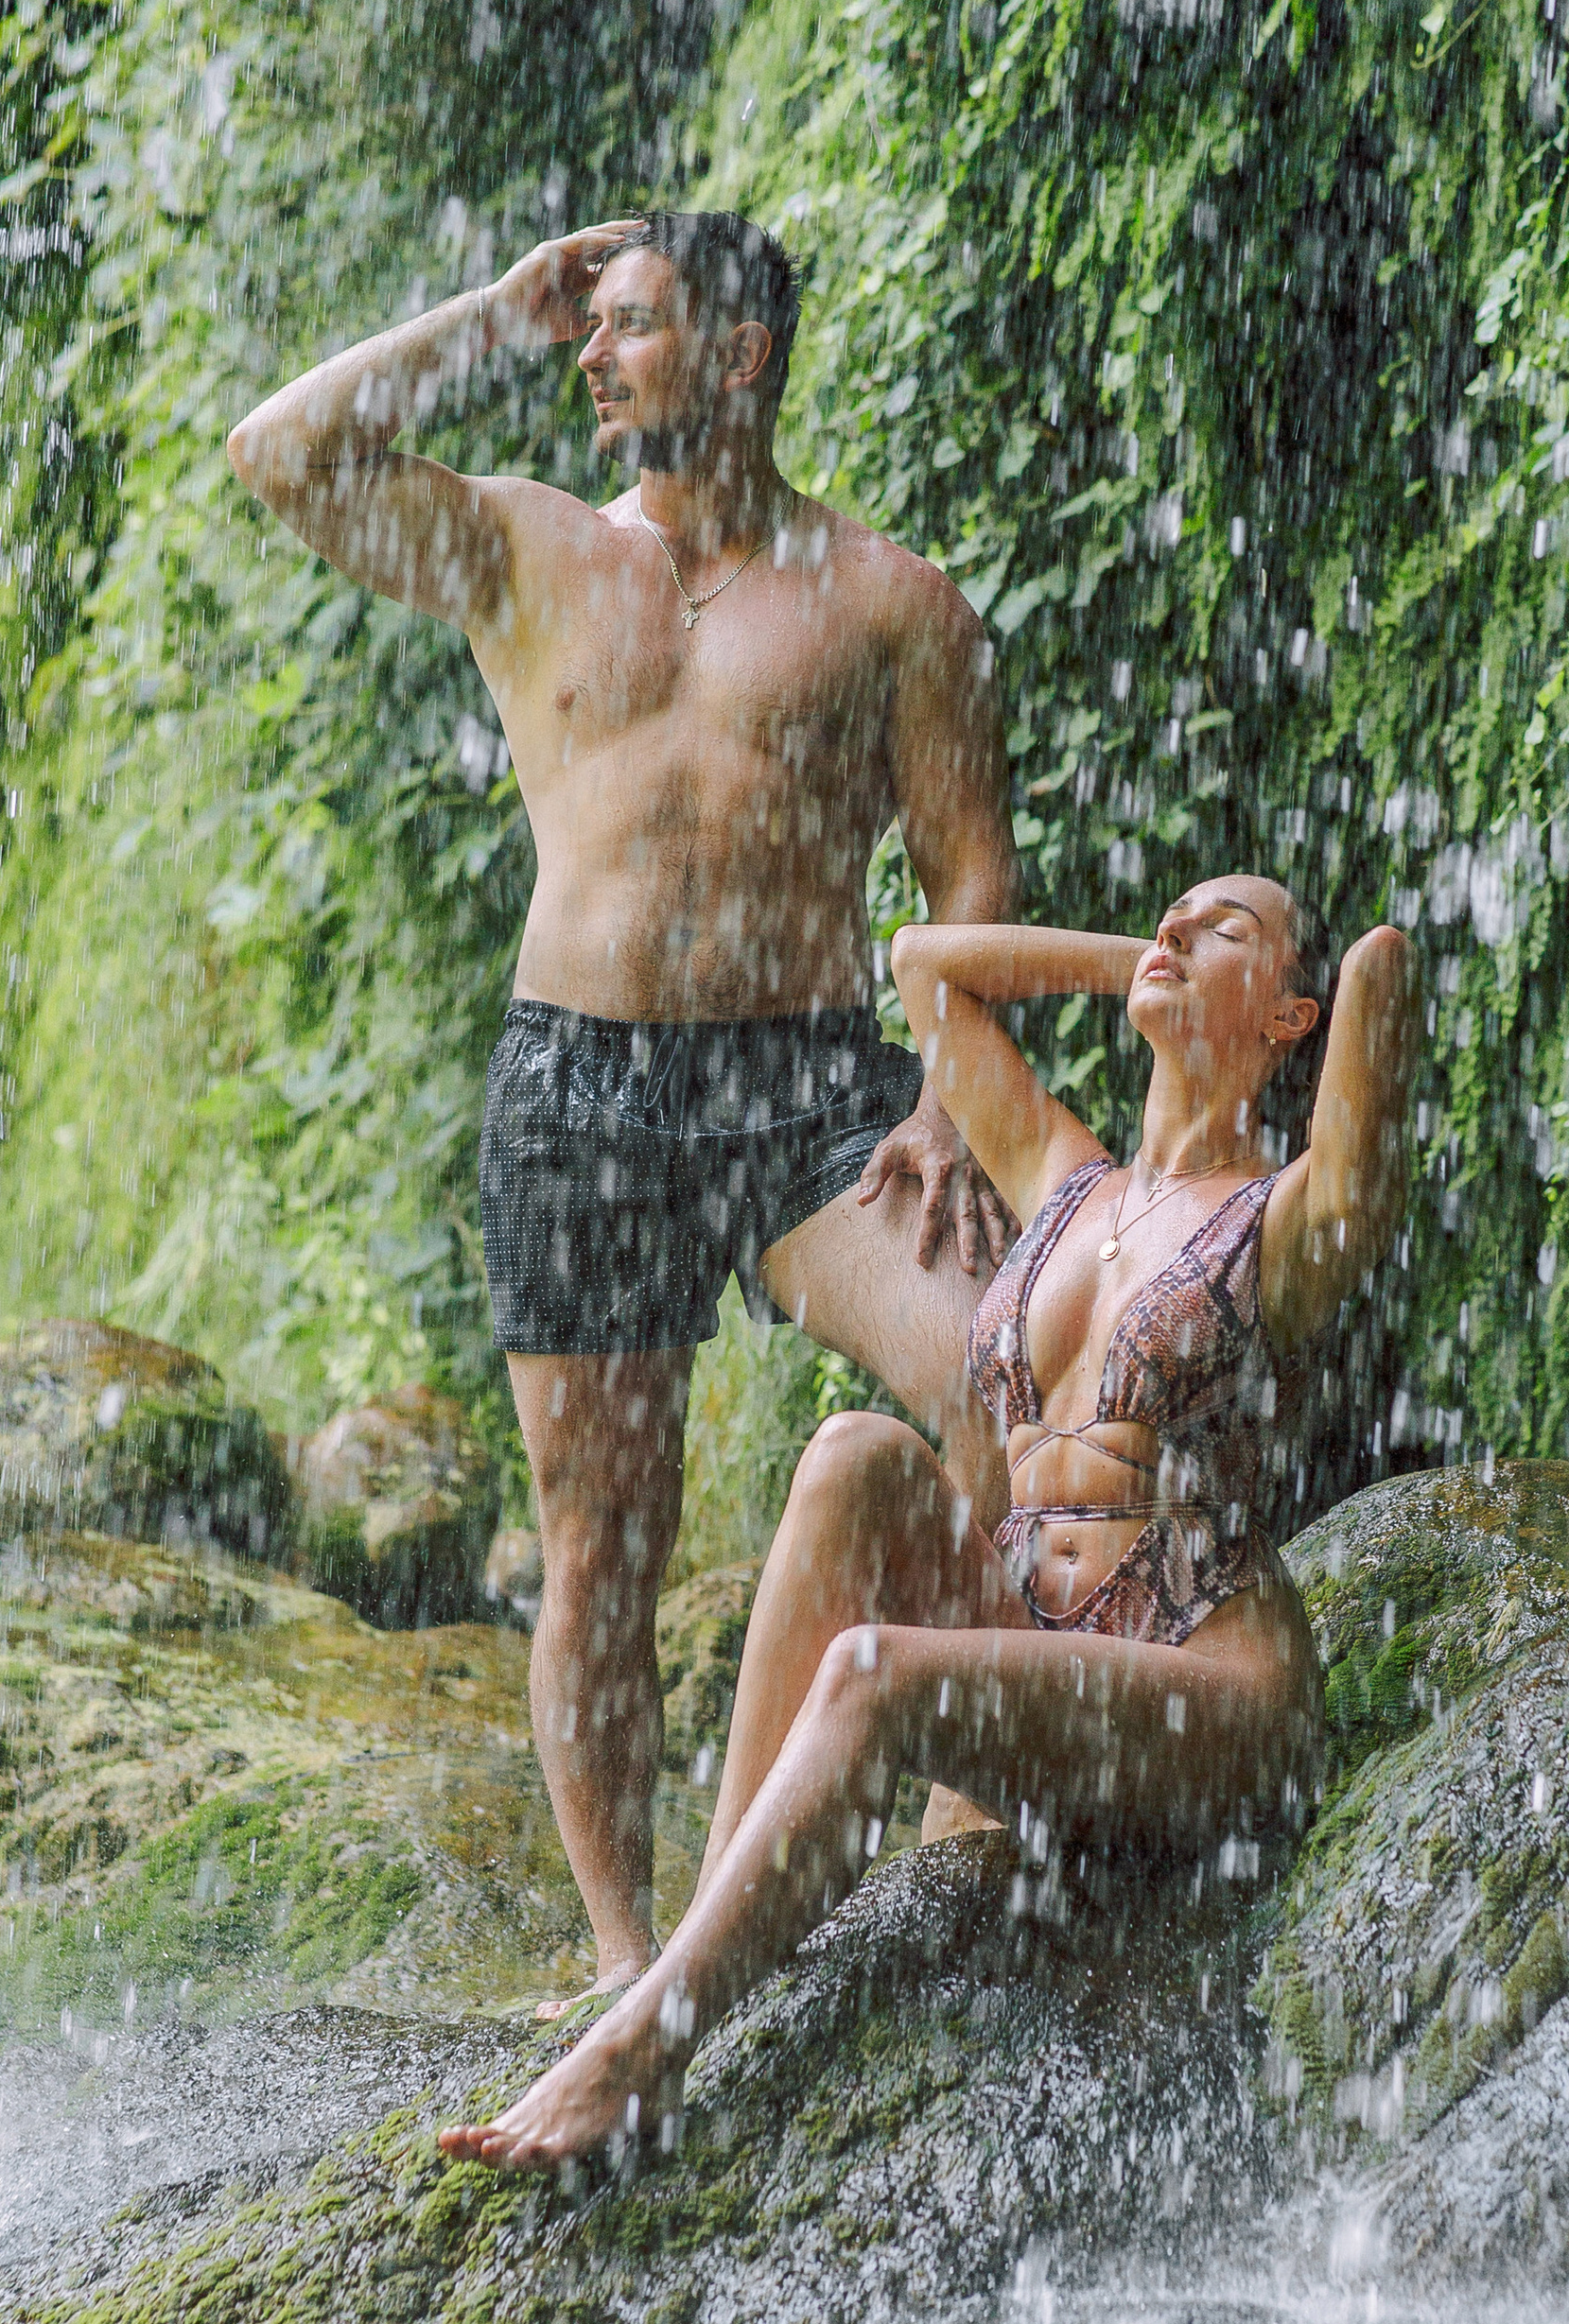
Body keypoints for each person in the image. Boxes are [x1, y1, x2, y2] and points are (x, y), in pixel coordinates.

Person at [226, 212, 1020, 2012]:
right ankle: (619, 1949)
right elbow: (281, 453)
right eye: (584, 338)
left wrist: (960, 1107)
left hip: (818, 1086)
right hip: (578, 1085)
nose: (593, 362)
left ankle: (966, 1825)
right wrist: (488, 321)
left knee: (994, 1365)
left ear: (738, 356)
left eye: (631, 330)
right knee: (602, 1533)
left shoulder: (896, 607)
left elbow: (972, 881)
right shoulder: (528, 549)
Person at [439, 876, 1417, 2168]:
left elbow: (1378, 1025)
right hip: (1047, 1643)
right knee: (853, 1455)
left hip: (1202, 1690)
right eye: (1170, 920)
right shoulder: (1066, 1181)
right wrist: (1157, 956)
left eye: (1223, 930)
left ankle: (643, 2050)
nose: (1178, 931)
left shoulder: (1279, 1220)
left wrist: (1349, 974)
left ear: (1291, 1015)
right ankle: (691, 1967)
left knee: (873, 1673)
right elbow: (924, 965)